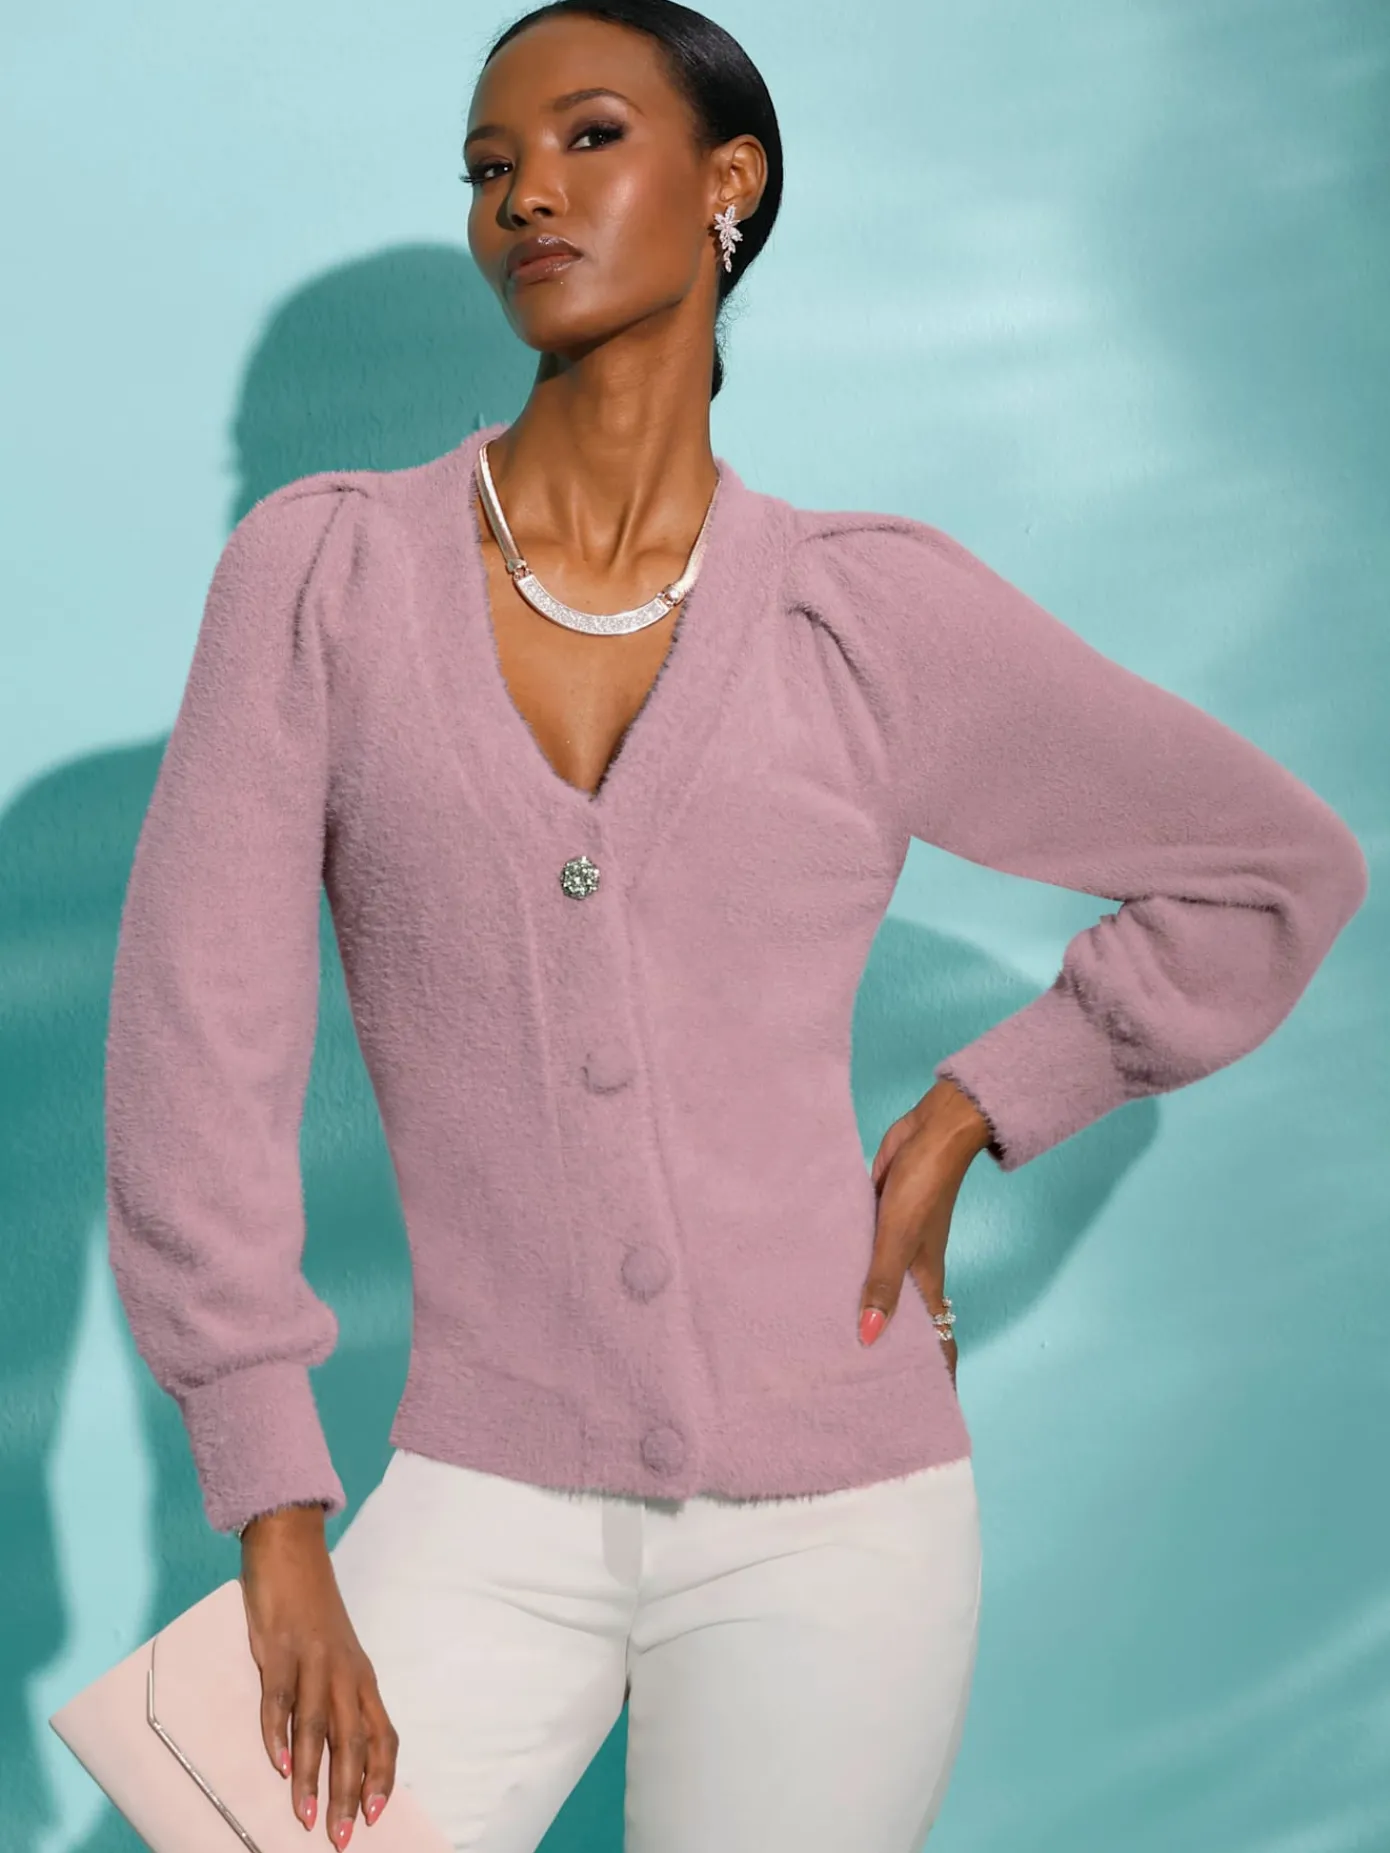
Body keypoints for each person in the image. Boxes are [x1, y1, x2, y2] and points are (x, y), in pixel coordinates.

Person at [102, 1, 1369, 1848]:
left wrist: (980, 1106)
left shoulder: (862, 617)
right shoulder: (321, 579)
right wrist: (272, 1518)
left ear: (731, 184)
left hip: (842, 1517)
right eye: (487, 165)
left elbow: (1270, 869)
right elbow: (196, 1049)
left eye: (587, 137)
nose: (525, 193)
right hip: (471, 1482)